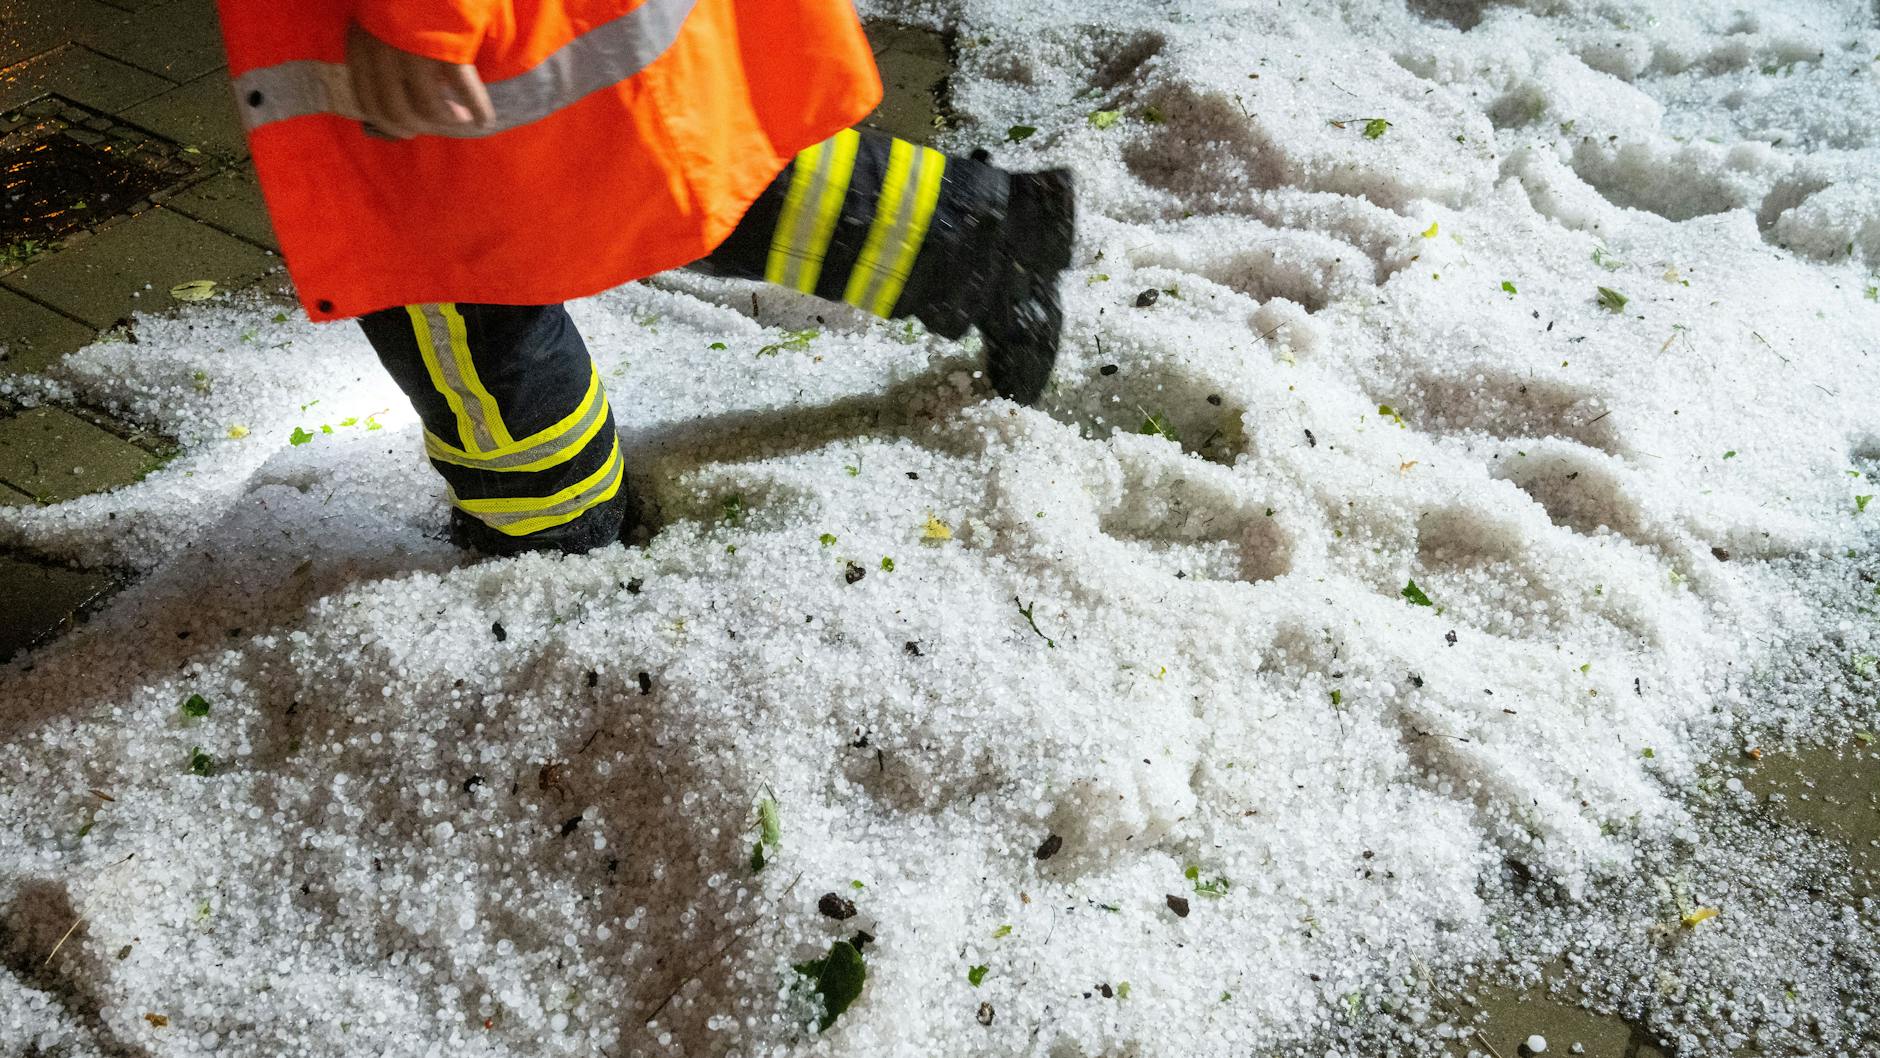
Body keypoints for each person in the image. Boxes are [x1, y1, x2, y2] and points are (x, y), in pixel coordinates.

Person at [216, 0, 1075, 555]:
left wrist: (420, 19)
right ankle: (973, 237)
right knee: (670, 163)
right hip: (554, 29)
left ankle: (551, 538)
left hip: (442, 44)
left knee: (445, 267)